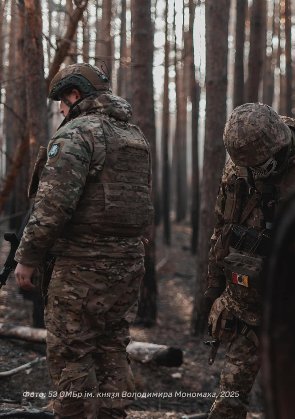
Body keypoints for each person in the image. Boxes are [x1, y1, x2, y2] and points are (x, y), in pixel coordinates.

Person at [14, 63, 153, 419]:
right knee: (111, 347)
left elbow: (52, 207)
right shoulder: (134, 136)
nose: (60, 109)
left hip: (81, 269)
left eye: (61, 101)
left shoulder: (76, 134)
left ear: (74, 95)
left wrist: (27, 257)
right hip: (127, 266)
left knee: (71, 352)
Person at [206, 103, 295, 418]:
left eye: (257, 169)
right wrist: (214, 289)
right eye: (244, 167)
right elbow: (222, 230)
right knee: (229, 399)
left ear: (276, 151)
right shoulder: (238, 169)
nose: (249, 175)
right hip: (246, 308)